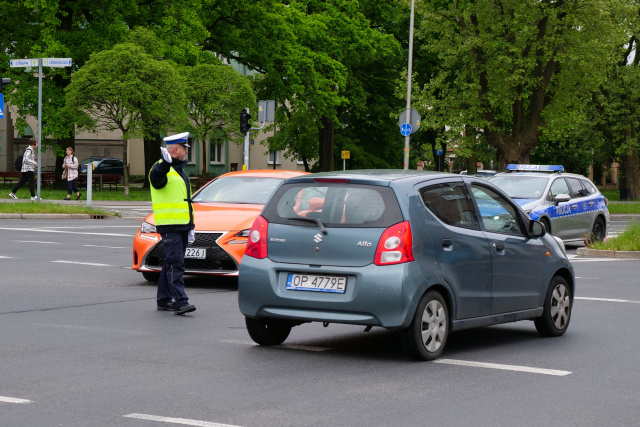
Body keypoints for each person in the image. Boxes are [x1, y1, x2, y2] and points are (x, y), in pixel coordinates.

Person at [149, 132, 196, 315]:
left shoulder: (179, 171)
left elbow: (186, 202)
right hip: (170, 225)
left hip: (182, 225)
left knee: (170, 264)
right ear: (176, 150)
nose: (186, 153)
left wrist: (191, 226)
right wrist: (165, 164)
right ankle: (180, 301)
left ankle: (164, 299)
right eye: (184, 149)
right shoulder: (161, 168)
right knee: (176, 263)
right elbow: (157, 180)